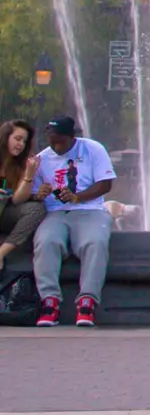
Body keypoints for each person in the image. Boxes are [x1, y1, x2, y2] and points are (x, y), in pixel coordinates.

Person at [29, 116, 116, 327]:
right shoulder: (42, 159)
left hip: (90, 210)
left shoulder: (93, 149)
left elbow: (105, 184)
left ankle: (87, 301)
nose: (56, 147)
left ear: (72, 137)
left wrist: (78, 197)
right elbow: (32, 194)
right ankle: (49, 301)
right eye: (52, 142)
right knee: (46, 242)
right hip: (56, 212)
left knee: (95, 242)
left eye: (60, 142)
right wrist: (39, 194)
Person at [1, 120, 48, 278]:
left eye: (24, 141)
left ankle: (2, 252)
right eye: (17, 139)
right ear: (5, 137)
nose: (21, 144)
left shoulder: (23, 163)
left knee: (37, 209)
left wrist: (28, 175)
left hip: (7, 212)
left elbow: (17, 200)